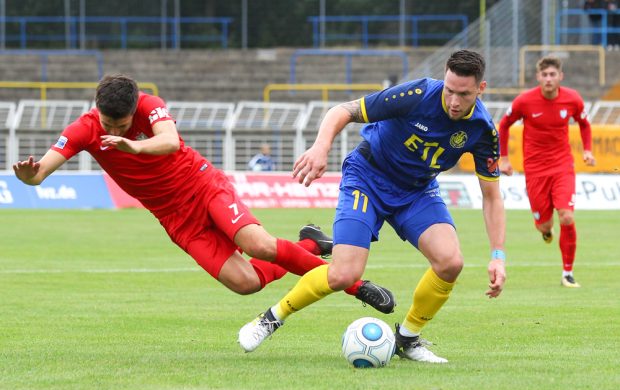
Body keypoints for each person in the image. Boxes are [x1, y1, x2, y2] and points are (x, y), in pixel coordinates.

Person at [12, 74, 395, 312]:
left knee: (259, 245)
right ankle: (310, 244)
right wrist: (30, 176)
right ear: (96, 109)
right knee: (245, 284)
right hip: (175, 218)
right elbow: (40, 172)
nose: (113, 130)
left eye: (122, 124)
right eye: (107, 122)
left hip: (201, 185)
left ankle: (355, 286)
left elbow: (169, 141)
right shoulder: (84, 128)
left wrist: (133, 145)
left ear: (134, 108)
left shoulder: (150, 106)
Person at [238, 50, 507, 363]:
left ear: (481, 89)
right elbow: (344, 110)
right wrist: (321, 147)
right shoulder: (417, 94)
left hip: (416, 191)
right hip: (368, 177)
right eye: (449, 90)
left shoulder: (483, 130)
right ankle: (270, 318)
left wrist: (498, 256)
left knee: (450, 262)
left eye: (464, 94)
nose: (454, 101)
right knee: (343, 274)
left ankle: (408, 338)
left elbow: (492, 196)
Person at [498, 56, 595, 288]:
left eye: (553, 74)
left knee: (567, 216)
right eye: (545, 75)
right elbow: (504, 125)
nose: (549, 79)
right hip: (535, 170)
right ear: (538, 77)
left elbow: (584, 124)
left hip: (563, 167)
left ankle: (567, 273)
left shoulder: (572, 99)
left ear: (561, 76)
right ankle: (545, 229)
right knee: (544, 225)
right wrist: (504, 158)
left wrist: (587, 150)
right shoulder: (525, 101)